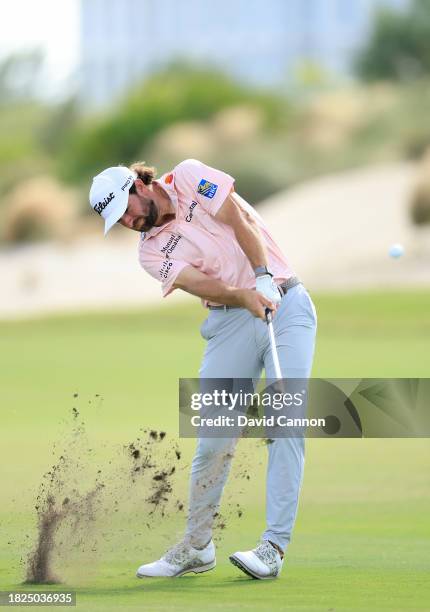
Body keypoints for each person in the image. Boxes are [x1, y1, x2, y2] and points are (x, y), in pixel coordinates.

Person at [89, 158, 317, 580]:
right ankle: (197, 547)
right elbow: (198, 283)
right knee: (213, 438)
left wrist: (262, 276)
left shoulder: (191, 176)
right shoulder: (150, 252)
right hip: (229, 320)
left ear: (141, 183)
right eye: (118, 220)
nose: (129, 220)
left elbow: (239, 217)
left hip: (285, 304)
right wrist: (243, 295)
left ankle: (273, 548)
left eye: (127, 208)